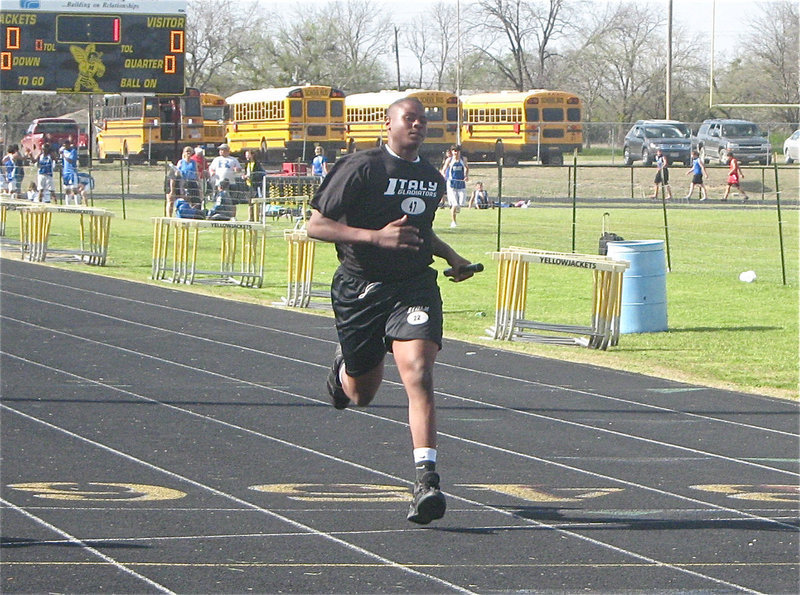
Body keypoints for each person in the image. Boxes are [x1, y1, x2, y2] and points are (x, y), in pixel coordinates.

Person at [306, 97, 477, 525]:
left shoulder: (430, 177)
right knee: (361, 394)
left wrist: (452, 257)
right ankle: (345, 367)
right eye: (409, 118)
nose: (418, 125)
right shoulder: (361, 167)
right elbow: (315, 225)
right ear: (389, 124)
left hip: (413, 286)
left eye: (423, 120)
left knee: (418, 371)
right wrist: (375, 238)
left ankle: (426, 480)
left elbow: (421, 232)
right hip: (360, 287)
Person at [441, 145, 468, 227]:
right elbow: (444, 169)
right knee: (454, 204)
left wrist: (466, 176)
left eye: (457, 151)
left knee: (461, 203)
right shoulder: (449, 160)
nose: (455, 153)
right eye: (453, 151)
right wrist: (444, 176)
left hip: (461, 183)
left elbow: (466, 168)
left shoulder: (463, 159)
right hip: (451, 183)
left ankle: (457, 208)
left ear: (459, 152)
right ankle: (453, 222)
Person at [60, 139, 82, 205]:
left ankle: (77, 204)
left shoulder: (73, 151)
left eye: (66, 145)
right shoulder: (64, 151)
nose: (65, 147)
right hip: (65, 172)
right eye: (64, 145)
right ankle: (67, 205)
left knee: (74, 188)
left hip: (72, 172)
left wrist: (64, 156)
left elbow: (71, 161)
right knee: (67, 189)